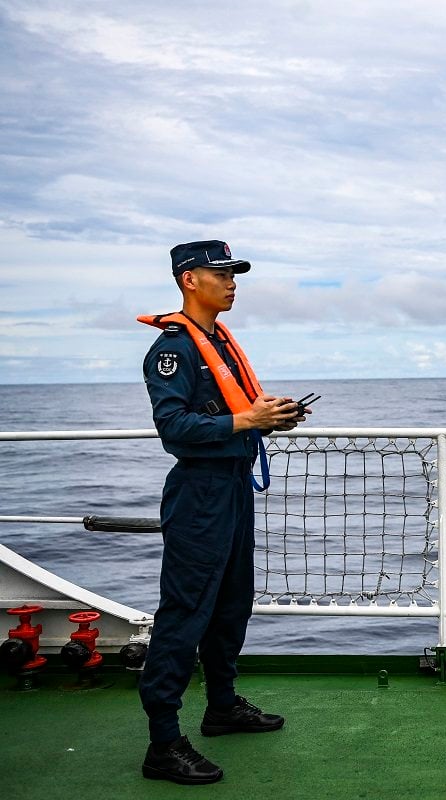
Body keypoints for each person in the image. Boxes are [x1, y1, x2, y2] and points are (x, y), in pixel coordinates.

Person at [137, 240, 308, 785]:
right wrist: (245, 424)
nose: (233, 282)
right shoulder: (173, 350)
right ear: (190, 280)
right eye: (223, 273)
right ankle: (163, 742)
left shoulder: (220, 342)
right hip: (199, 493)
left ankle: (222, 706)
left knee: (233, 602)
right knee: (185, 611)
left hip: (233, 487)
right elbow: (174, 430)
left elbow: (235, 411)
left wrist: (270, 417)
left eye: (235, 274)